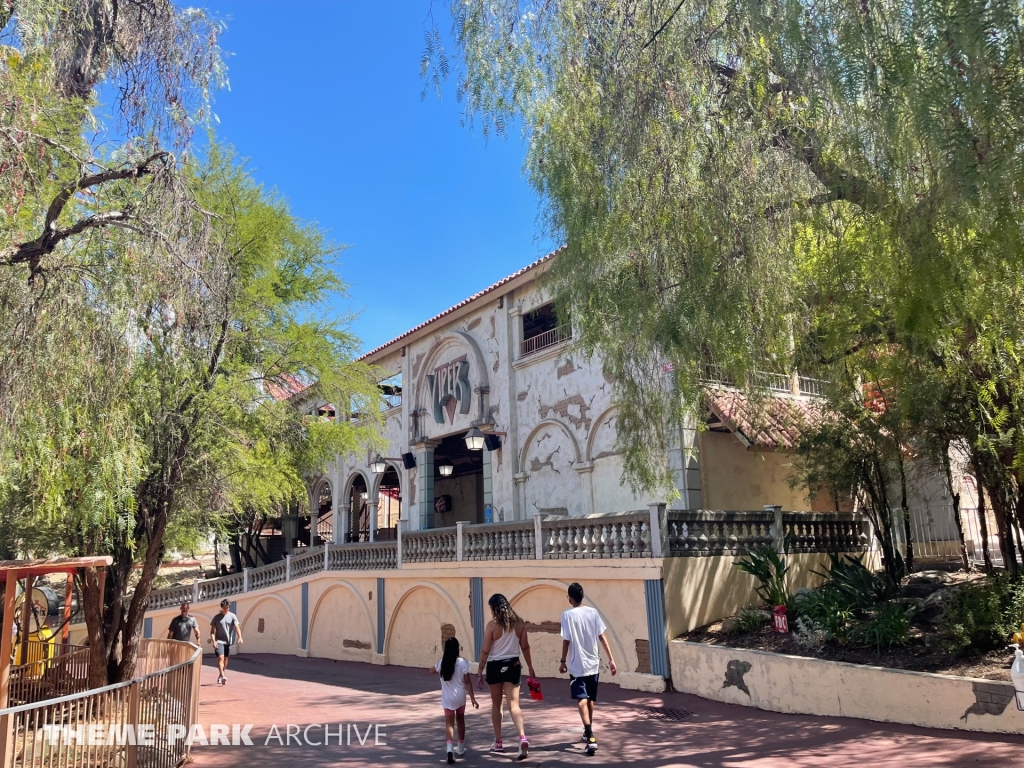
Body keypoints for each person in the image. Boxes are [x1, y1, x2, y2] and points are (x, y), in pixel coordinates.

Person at [559, 582, 616, 756]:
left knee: (581, 699)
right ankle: (587, 731)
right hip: (593, 664)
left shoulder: (567, 615)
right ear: (582, 596)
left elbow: (566, 640)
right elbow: (602, 636)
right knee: (590, 698)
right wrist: (611, 659)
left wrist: (562, 660)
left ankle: (590, 735)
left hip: (577, 666)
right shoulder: (593, 613)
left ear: (570, 599)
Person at [476, 593, 535, 760]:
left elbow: (485, 650)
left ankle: (498, 741)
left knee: (497, 704)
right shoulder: (520, 624)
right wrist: (530, 667)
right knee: (514, 706)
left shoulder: (492, 626)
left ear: (495, 609)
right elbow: (525, 647)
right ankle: (522, 737)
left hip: (495, 666)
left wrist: (480, 671)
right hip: (513, 665)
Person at [430, 636, 479, 763]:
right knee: (460, 721)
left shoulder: (442, 662)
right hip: (460, 697)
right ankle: (461, 747)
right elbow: (468, 682)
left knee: (449, 724)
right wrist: (473, 698)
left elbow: (432, 671)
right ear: (457, 649)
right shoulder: (463, 662)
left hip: (447, 699)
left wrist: (435, 666)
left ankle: (449, 749)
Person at [209, 599, 243, 685]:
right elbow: (212, 632)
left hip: (228, 641)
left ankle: (221, 675)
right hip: (219, 641)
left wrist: (240, 637)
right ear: (221, 607)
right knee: (221, 658)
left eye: (227, 607)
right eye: (224, 608)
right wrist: (214, 641)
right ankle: (223, 676)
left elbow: (236, 627)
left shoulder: (232, 616)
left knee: (225, 659)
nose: (226, 609)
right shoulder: (216, 618)